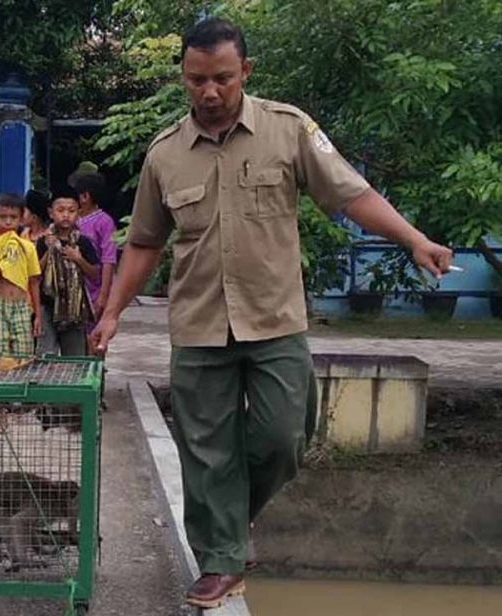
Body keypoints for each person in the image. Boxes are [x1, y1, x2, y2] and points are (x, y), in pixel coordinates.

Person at [91, 18, 452, 609]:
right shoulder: (164, 154)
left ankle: (229, 525)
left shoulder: (289, 130)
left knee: (284, 436)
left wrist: (413, 239)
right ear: (184, 77)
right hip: (200, 325)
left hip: (275, 320)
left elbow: (351, 193)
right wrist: (112, 313)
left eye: (223, 79)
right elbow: (145, 243)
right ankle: (221, 561)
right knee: (205, 450)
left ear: (246, 73)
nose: (209, 92)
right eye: (197, 80)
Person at [35, 186, 100, 356]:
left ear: (78, 213)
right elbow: (35, 274)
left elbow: (95, 274)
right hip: (48, 306)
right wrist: (49, 251)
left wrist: (78, 259)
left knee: (74, 358)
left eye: (71, 211)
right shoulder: (43, 241)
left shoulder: (83, 242)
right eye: (60, 210)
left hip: (74, 310)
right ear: (51, 213)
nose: (65, 215)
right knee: (45, 356)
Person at [0, 193, 42, 355]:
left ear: (21, 219)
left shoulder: (27, 247)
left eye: (13, 217)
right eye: (3, 217)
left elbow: (34, 281)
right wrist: (6, 262)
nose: (8, 221)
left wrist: (38, 316)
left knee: (24, 353)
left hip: (22, 305)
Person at [72, 171, 118, 321]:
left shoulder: (105, 222)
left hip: (94, 289)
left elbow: (108, 260)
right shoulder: (72, 219)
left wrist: (103, 296)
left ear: (85, 196)